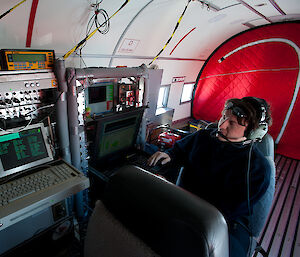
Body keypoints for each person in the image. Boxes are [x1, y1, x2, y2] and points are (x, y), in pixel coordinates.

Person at [147, 97, 272, 257]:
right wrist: (168, 155)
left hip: (223, 223)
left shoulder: (257, 168)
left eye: (232, 123)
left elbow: (227, 211)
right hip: (185, 206)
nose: (222, 125)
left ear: (252, 132)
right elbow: (179, 151)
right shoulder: (204, 137)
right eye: (224, 117)